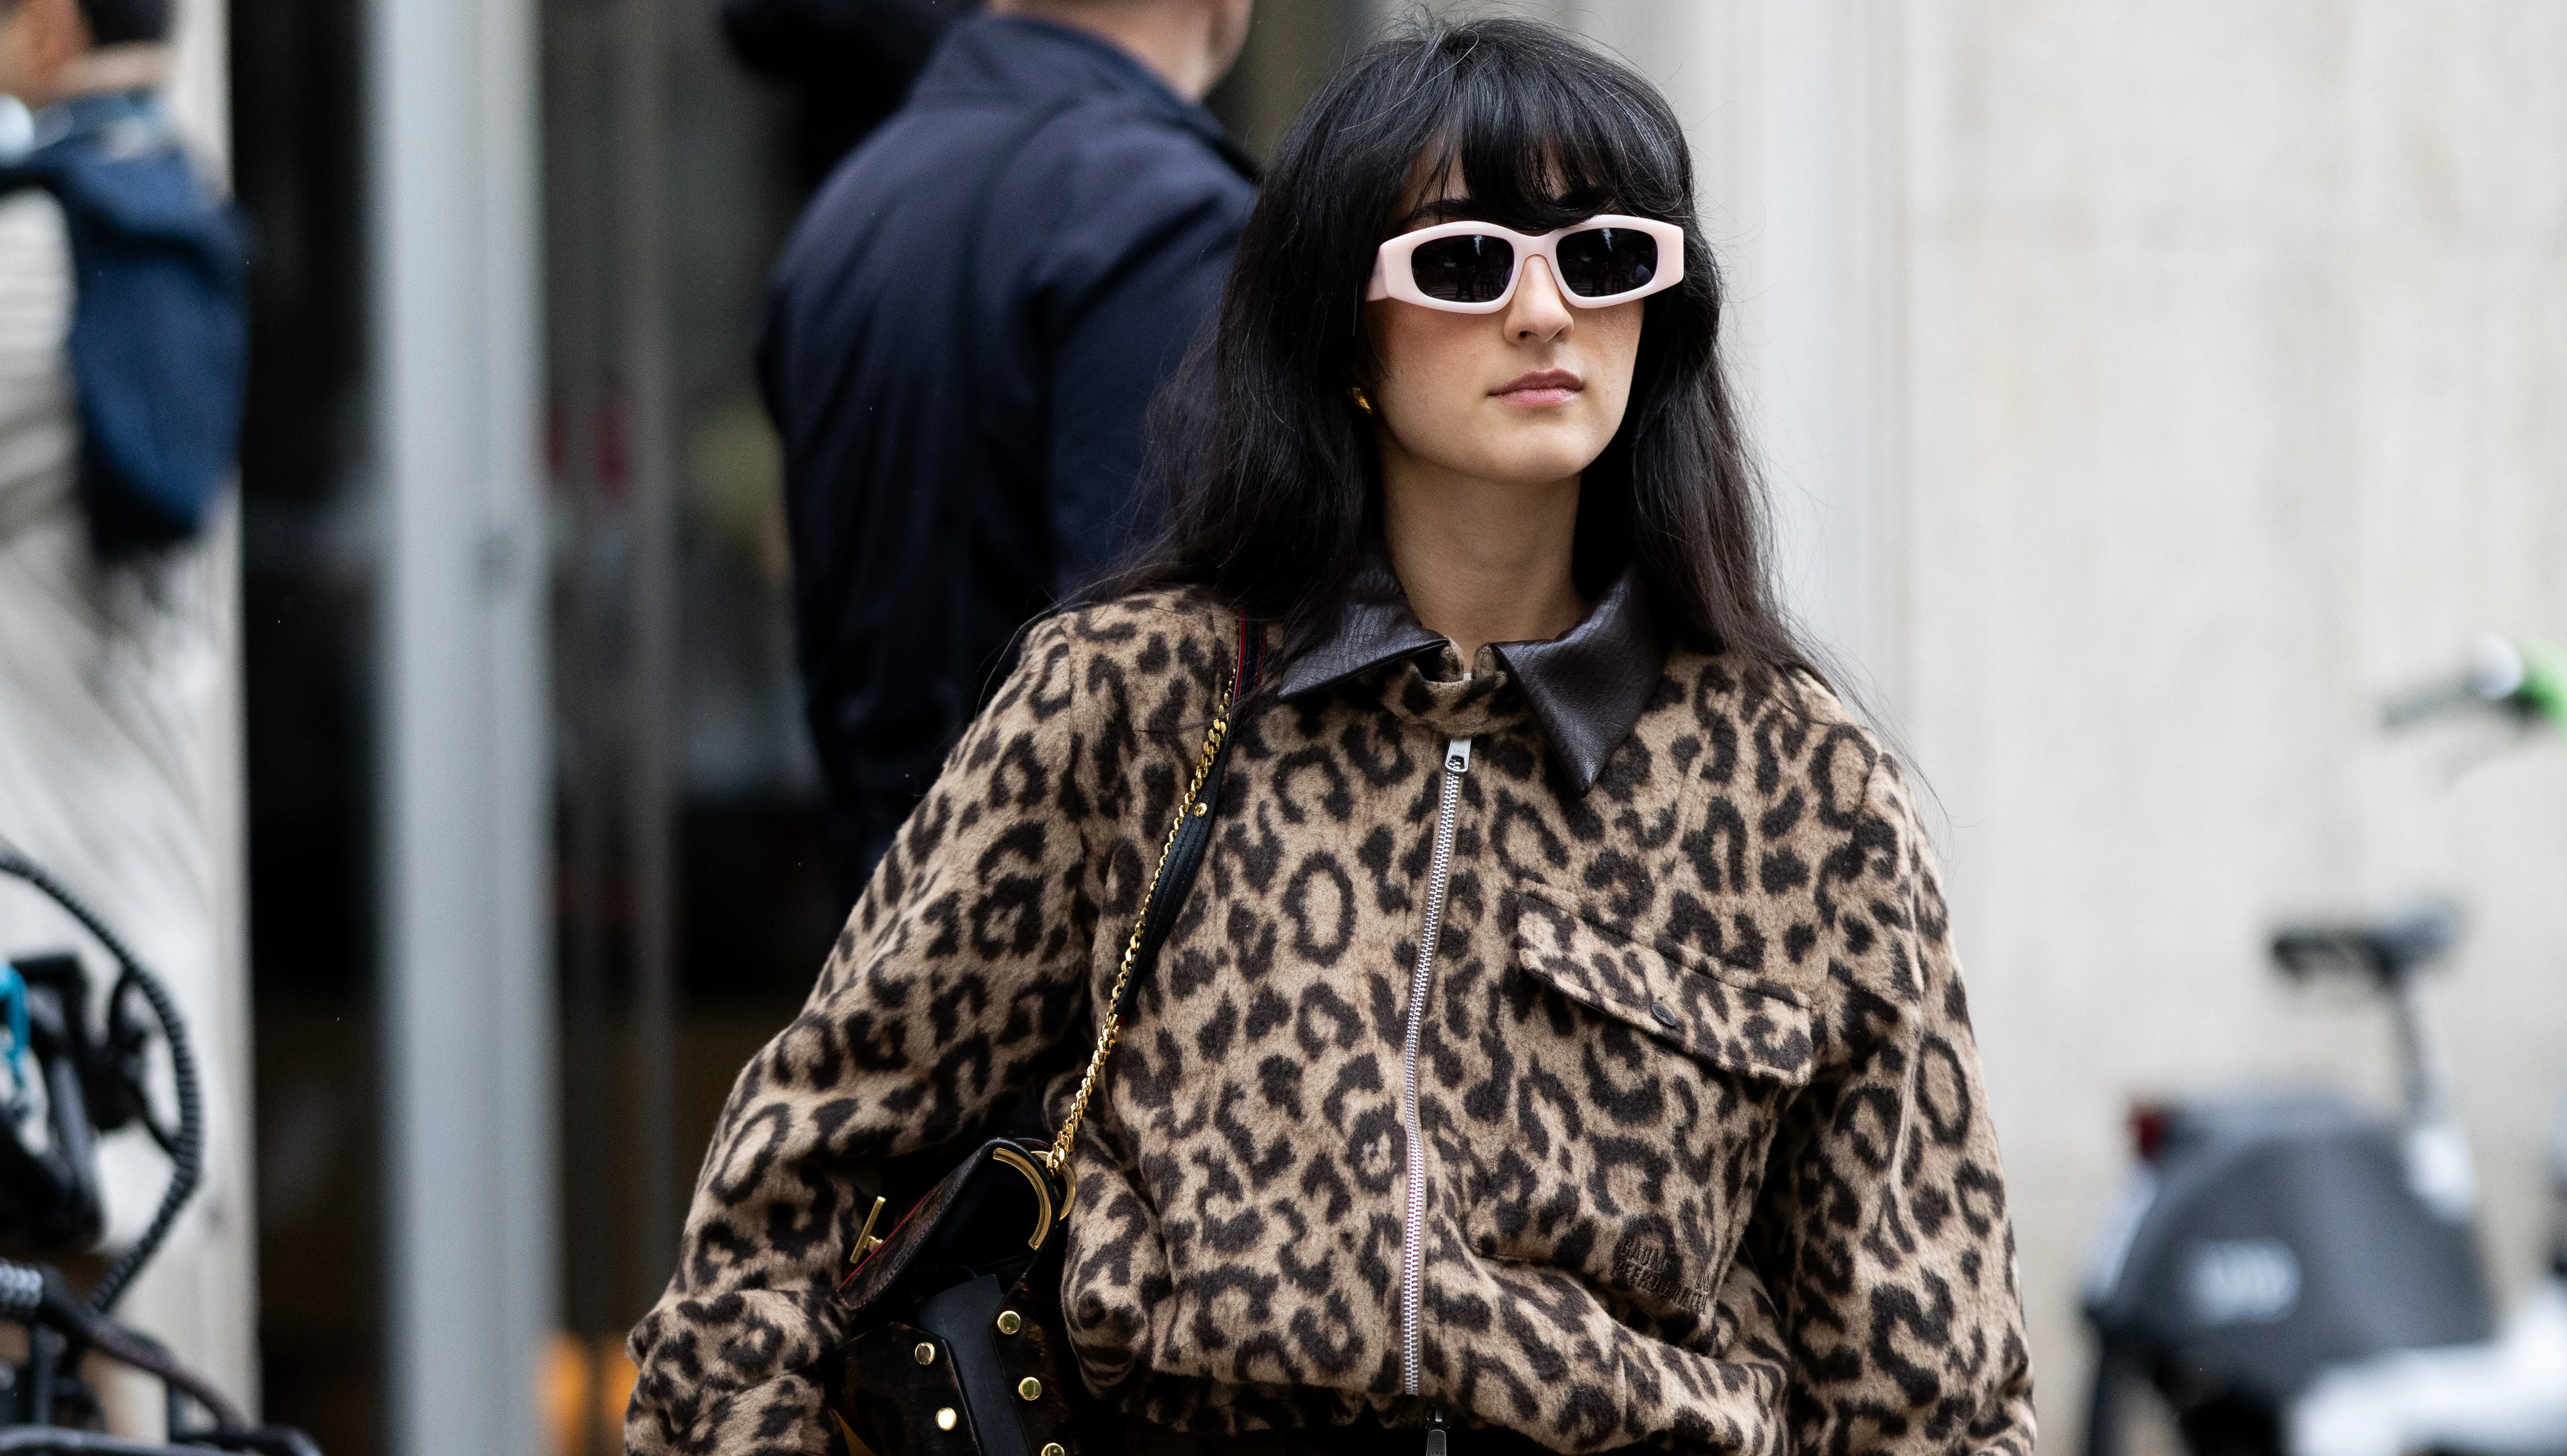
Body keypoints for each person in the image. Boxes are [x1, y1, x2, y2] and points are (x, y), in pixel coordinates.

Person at [633, 17, 2034, 1456]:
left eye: (1605, 257)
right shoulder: (1133, 699)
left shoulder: (1799, 792)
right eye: (1464, 262)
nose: (1544, 313)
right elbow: (786, 1189)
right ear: (1340, 325)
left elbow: (1933, 1397)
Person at [761, 0, 1259, 899]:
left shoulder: (856, 202)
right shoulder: (1167, 216)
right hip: (1079, 984)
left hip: (889, 951)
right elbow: (1161, 713)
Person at [0, 0, 252, 1430]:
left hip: (44, 947)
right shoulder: (180, 227)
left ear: (45, 27)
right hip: (134, 921)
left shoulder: (39, 260)